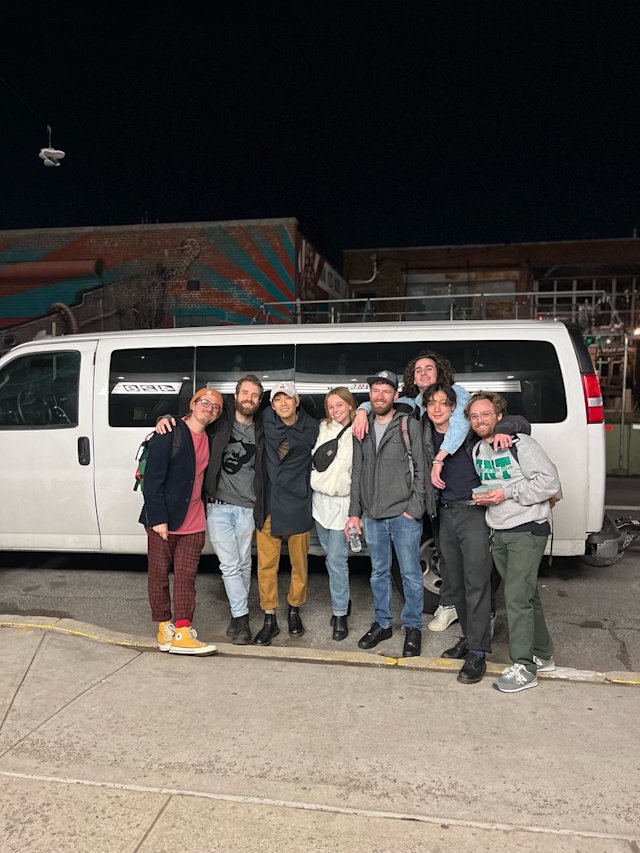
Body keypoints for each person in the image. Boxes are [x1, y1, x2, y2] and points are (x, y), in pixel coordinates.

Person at [353, 350, 513, 633]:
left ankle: (479, 625)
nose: (424, 373)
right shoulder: (415, 407)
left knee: (475, 568)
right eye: (418, 370)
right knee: (448, 560)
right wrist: (362, 410)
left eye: (429, 368)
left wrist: (440, 457)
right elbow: (382, 400)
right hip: (439, 503)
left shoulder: (459, 398)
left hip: (470, 502)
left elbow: (488, 419)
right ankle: (455, 611)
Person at [423, 383, 530, 684]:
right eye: (431, 403)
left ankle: (479, 652)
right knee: (455, 585)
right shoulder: (425, 433)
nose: (437, 408)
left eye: (444, 403)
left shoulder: (470, 433)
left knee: (477, 585)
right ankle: (471, 639)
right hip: (445, 514)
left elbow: (520, 422)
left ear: (454, 408)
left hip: (474, 514)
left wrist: (506, 426)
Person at [155, 375, 265, 646]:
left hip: (247, 508)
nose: (248, 398)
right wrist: (165, 417)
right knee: (229, 566)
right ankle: (241, 617)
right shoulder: (221, 420)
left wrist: (362, 408)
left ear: (259, 401)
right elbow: (196, 415)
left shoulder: (264, 426)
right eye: (245, 393)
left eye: (254, 395)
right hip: (218, 506)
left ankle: (238, 615)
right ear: (235, 396)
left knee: (243, 564)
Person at [469, 391, 561, 693]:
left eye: (485, 414)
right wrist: (484, 496)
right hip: (499, 528)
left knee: (516, 598)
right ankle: (543, 654)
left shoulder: (520, 443)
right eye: (474, 416)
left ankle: (524, 666)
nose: (480, 420)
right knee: (527, 594)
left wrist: (507, 494)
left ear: (499, 416)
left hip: (527, 527)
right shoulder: (478, 451)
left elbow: (549, 481)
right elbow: (497, 484)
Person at [346, 369, 426, 657]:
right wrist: (354, 513)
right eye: (375, 390)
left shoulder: (408, 426)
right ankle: (382, 623)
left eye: (385, 391)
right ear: (370, 395)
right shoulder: (361, 427)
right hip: (372, 515)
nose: (380, 396)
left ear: (395, 395)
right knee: (378, 573)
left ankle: (413, 627)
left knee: (410, 574)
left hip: (403, 515)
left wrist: (414, 510)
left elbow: (422, 471)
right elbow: (357, 472)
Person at [139, 387, 222, 656]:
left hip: (194, 520)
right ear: (193, 403)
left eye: (215, 407)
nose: (209, 409)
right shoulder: (169, 433)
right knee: (159, 575)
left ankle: (183, 630)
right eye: (205, 403)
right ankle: (164, 627)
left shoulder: (210, 436)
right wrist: (159, 519)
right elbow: (152, 481)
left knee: (186, 578)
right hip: (164, 519)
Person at [254, 381, 319, 645]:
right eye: (277, 399)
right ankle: (269, 617)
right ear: (271, 405)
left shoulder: (312, 427)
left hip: (298, 502)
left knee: (299, 564)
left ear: (297, 401)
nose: (282, 403)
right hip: (269, 504)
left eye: (287, 399)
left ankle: (295, 609)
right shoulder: (266, 419)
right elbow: (233, 408)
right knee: (266, 565)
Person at [310, 387, 356, 640]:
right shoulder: (322, 428)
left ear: (350, 405)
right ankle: (344, 599)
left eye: (340, 405)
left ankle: (339, 613)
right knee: (329, 557)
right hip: (320, 503)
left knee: (337, 560)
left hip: (343, 504)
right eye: (330, 406)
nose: (335, 410)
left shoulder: (360, 430)